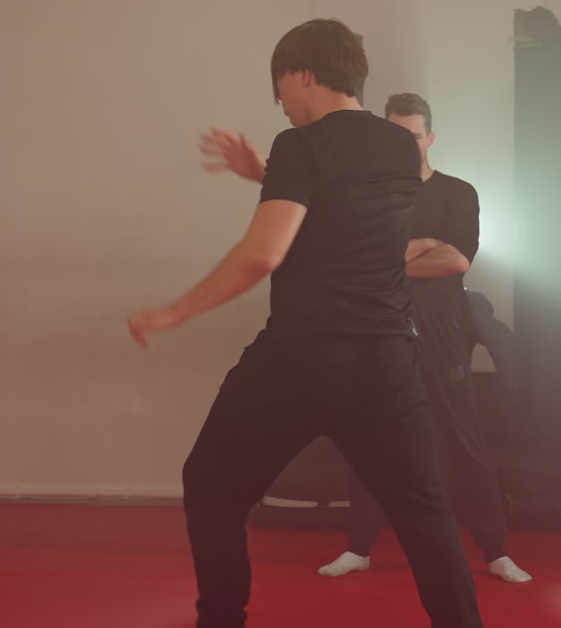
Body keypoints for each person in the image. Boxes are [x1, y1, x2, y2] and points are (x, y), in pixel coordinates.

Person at [131, 19, 485, 628]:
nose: (284, 107)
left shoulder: (300, 145)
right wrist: (265, 172)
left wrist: (176, 310)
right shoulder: (399, 148)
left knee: (211, 485)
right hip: (386, 361)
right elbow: (343, 202)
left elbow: (265, 253)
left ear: (301, 74)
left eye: (282, 92)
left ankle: (221, 620)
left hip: (302, 357)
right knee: (425, 514)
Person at [202, 93, 531, 585]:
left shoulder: (458, 193)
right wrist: (415, 247)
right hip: (380, 325)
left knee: (463, 443)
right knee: (370, 442)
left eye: (414, 136)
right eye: (396, 135)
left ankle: (496, 550)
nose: (405, 144)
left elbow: (456, 260)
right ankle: (359, 547)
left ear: (430, 139)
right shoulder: (370, 192)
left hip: (442, 328)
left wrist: (381, 256)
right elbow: (317, 218)